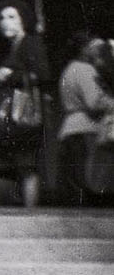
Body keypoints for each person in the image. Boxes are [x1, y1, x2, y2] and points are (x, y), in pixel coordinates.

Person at [0, 0, 51, 207]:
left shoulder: (30, 43)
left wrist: (9, 75)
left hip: (25, 113)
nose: (5, 22)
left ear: (23, 20)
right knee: (23, 164)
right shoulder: (14, 46)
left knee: (27, 163)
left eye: (11, 17)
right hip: (17, 114)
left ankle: (29, 211)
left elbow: (42, 74)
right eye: (2, 18)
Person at [57, 31, 114, 203]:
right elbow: (94, 102)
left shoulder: (69, 69)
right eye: (92, 47)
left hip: (70, 128)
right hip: (86, 128)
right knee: (91, 179)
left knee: (77, 180)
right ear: (83, 49)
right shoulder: (85, 69)